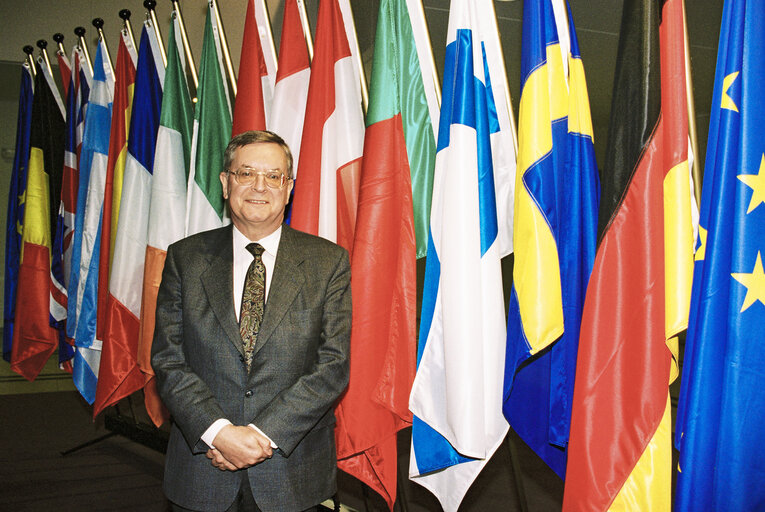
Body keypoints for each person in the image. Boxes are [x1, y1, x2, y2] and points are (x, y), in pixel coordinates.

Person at [152, 130, 351, 512]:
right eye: (246, 174)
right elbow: (168, 360)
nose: (259, 187)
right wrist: (219, 434)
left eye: (273, 176)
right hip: (201, 471)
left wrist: (258, 437)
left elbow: (332, 367)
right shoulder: (185, 259)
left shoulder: (329, 263)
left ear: (288, 187)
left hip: (293, 475)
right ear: (226, 183)